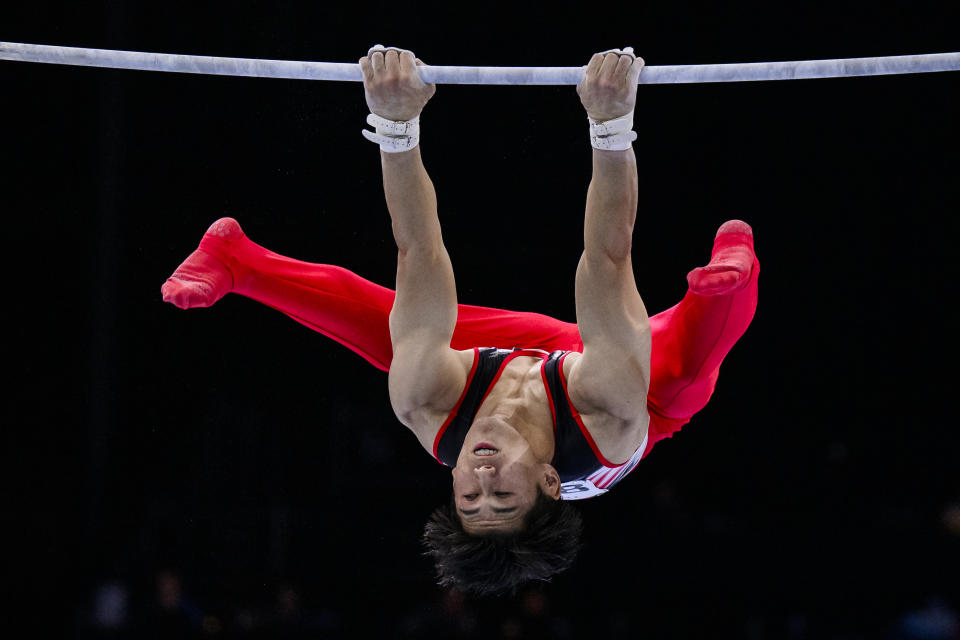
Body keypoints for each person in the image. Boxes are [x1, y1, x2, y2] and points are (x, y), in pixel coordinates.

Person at [161, 45, 760, 595]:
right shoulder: (609, 418)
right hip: (618, 392)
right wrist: (610, 123)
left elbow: (419, 252)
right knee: (686, 366)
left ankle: (236, 259)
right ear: (551, 482)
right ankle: (734, 271)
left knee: (393, 329)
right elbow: (607, 259)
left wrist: (396, 123)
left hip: (508, 374)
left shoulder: (430, 408)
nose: (482, 473)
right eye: (503, 493)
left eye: (470, 495)